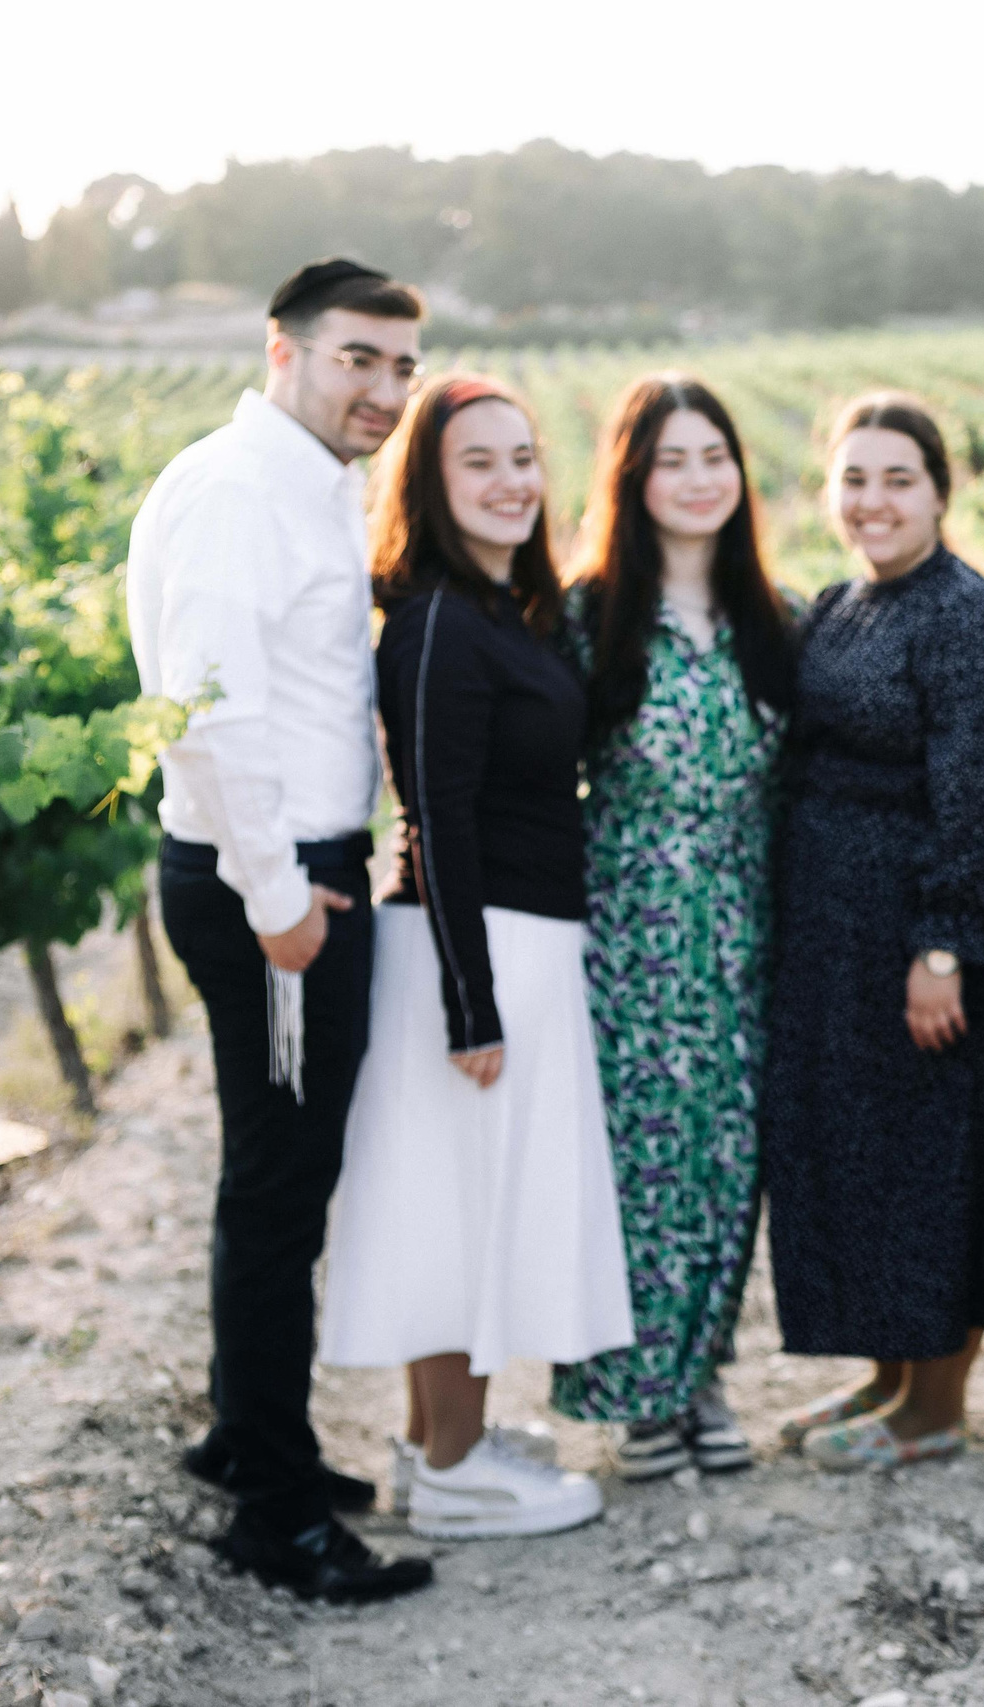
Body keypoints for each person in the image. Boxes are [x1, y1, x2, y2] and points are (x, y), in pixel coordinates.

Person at [127, 258, 433, 1600]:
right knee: (280, 1191)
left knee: (270, 1175)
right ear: (284, 351)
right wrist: (278, 903)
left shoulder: (303, 483)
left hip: (290, 869)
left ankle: (252, 1436)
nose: (382, 389)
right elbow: (208, 711)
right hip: (274, 883)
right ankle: (279, 1514)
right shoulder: (245, 490)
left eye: (400, 367)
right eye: (357, 358)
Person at [317, 376, 630, 1540]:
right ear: (430, 487)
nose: (510, 483)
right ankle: (453, 1473)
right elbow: (436, 817)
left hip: (513, 940)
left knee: (466, 1205)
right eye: (477, 464)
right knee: (461, 1217)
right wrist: (471, 1004)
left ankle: (439, 1445)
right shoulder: (443, 622)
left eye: (521, 458)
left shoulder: (501, 610)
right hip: (474, 946)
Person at [766, 394, 984, 1470]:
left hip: (924, 942)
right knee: (865, 1159)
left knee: (939, 1161)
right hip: (837, 944)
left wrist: (941, 946)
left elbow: (981, 805)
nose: (872, 501)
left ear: (940, 492)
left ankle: (935, 1410)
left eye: (897, 479)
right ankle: (888, 1380)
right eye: (853, 479)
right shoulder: (841, 603)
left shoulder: (967, 619)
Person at [550, 376, 792, 1481]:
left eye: (714, 458)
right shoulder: (584, 612)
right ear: (635, 478)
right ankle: (639, 1395)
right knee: (642, 1159)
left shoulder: (768, 620)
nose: (698, 481)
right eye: (672, 461)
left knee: (728, 1156)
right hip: (631, 922)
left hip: (743, 921)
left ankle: (704, 1379)